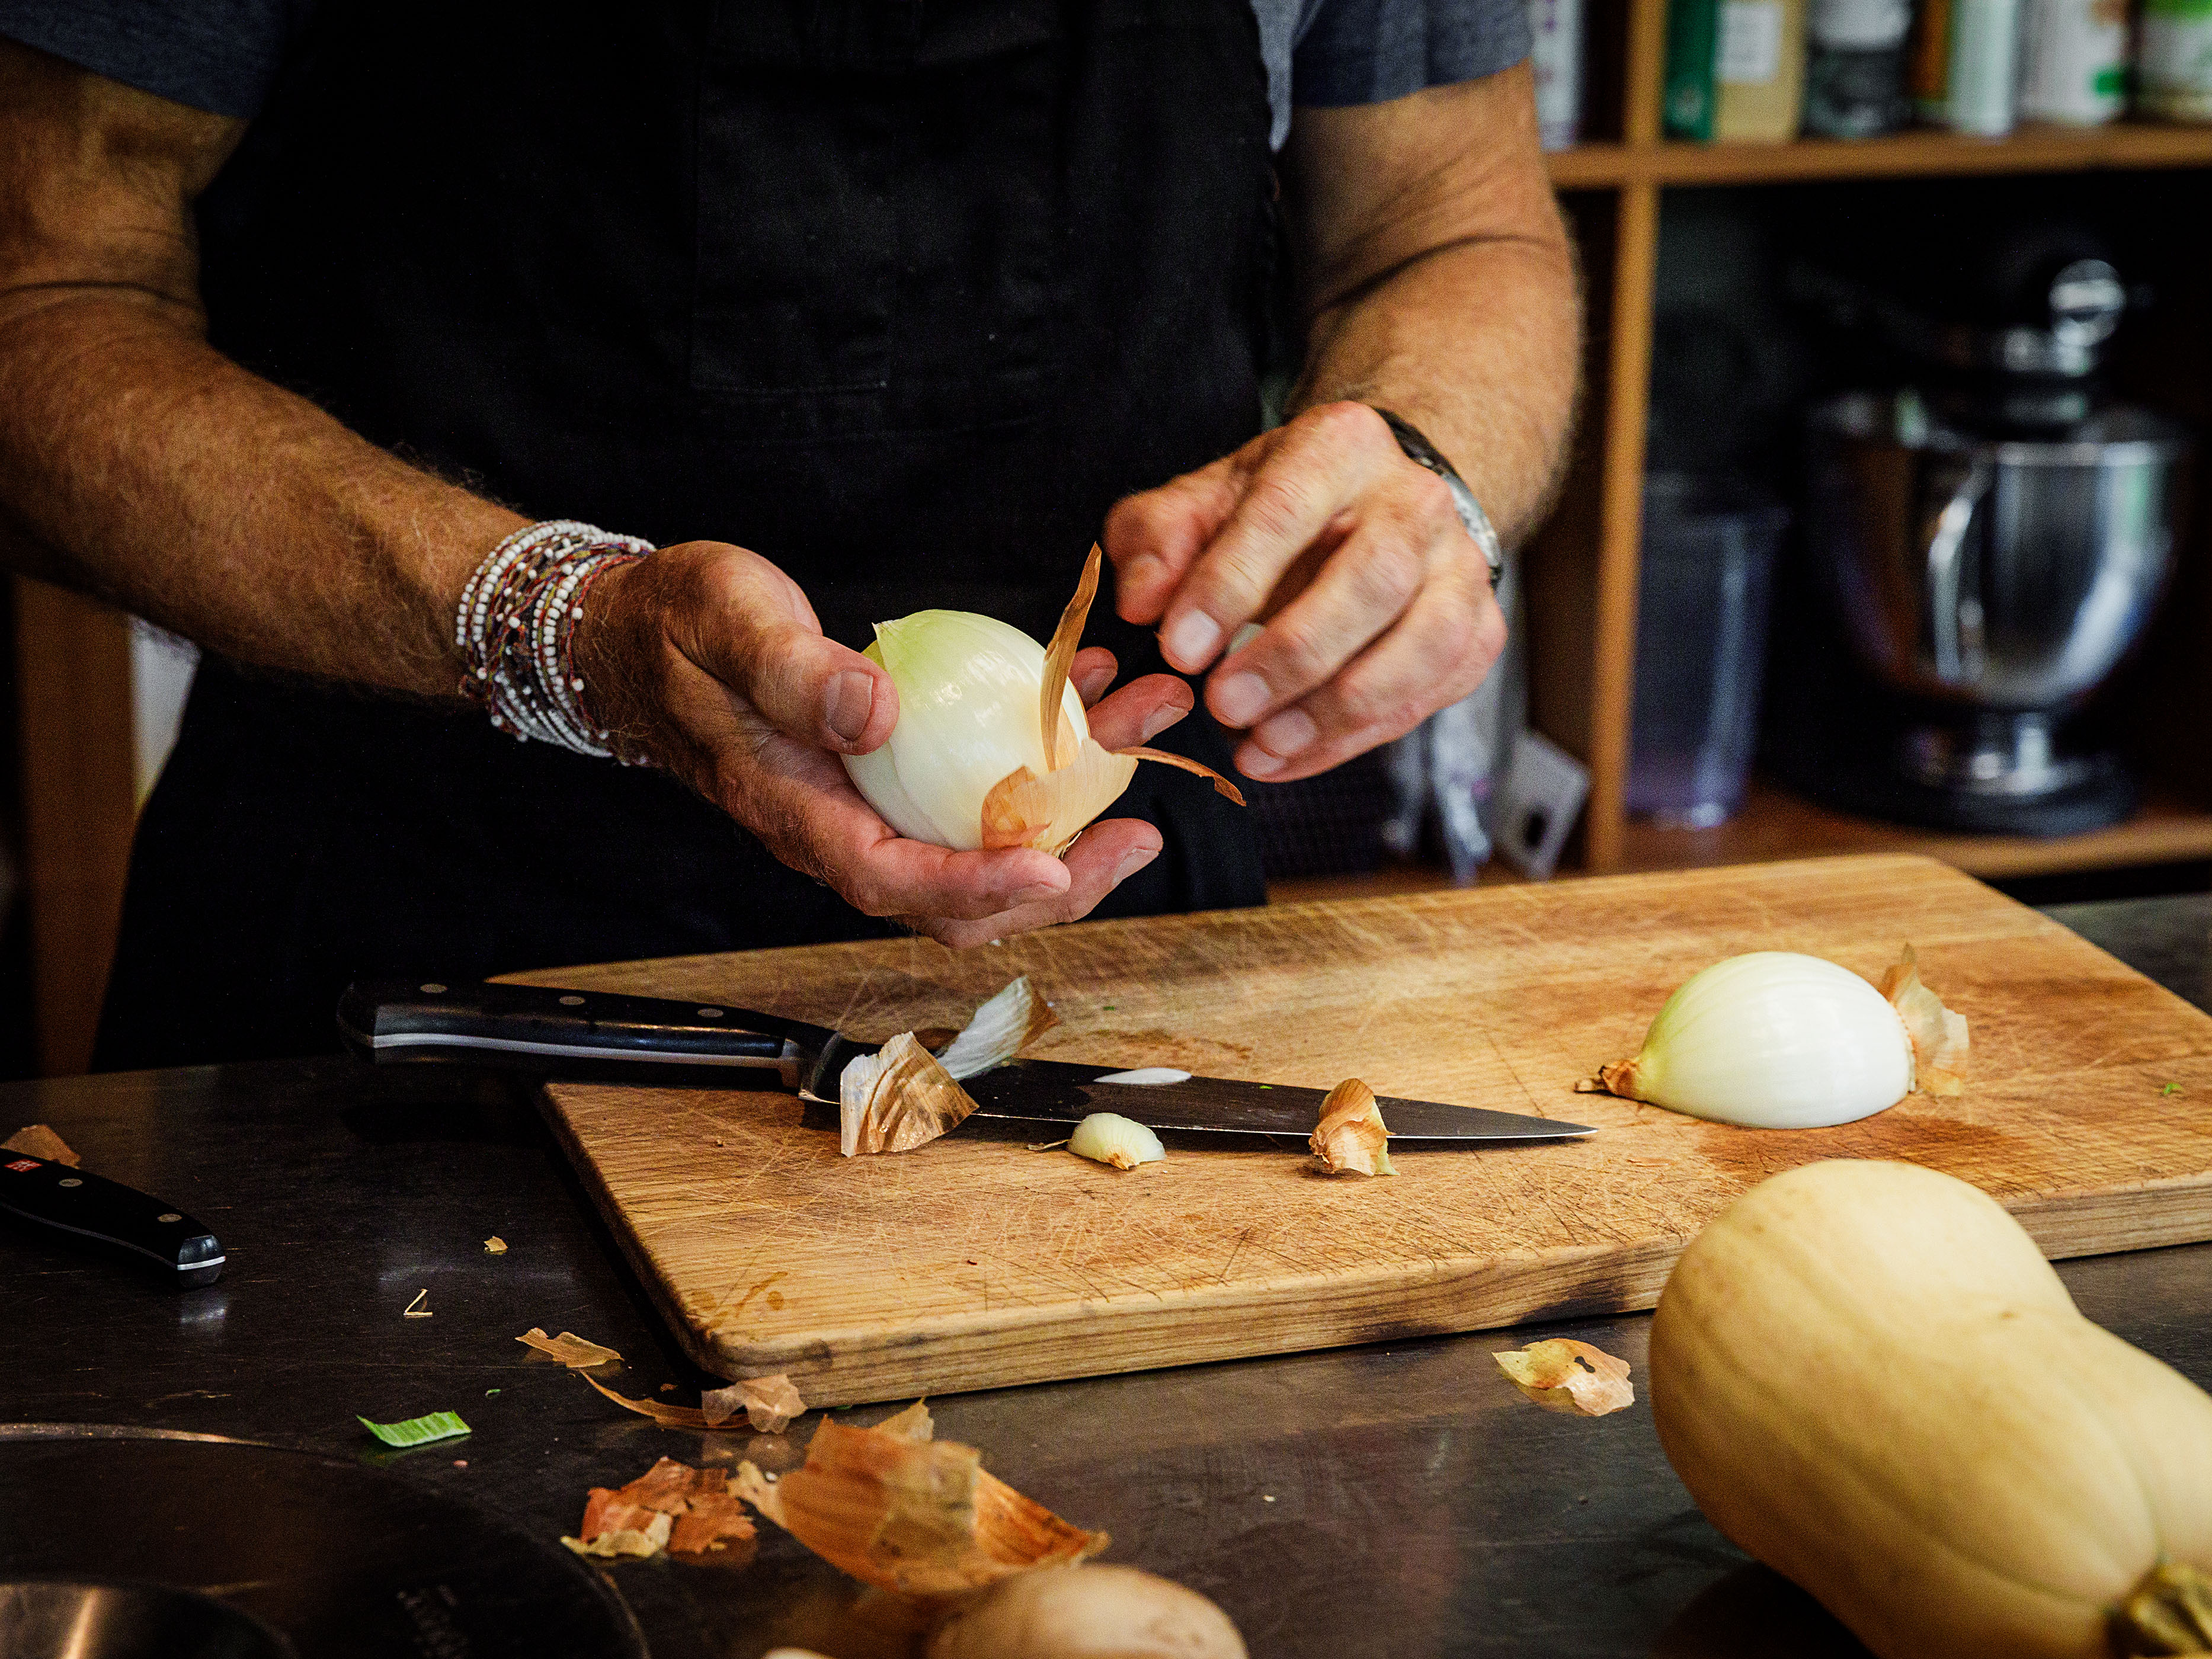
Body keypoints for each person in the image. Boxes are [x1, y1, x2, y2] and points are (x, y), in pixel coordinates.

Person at [0, 2, 1578, 1069]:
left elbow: (1451, 223)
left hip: (1097, 954)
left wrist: (1428, 474)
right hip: (407, 958)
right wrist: (550, 622)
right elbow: (44, 301)